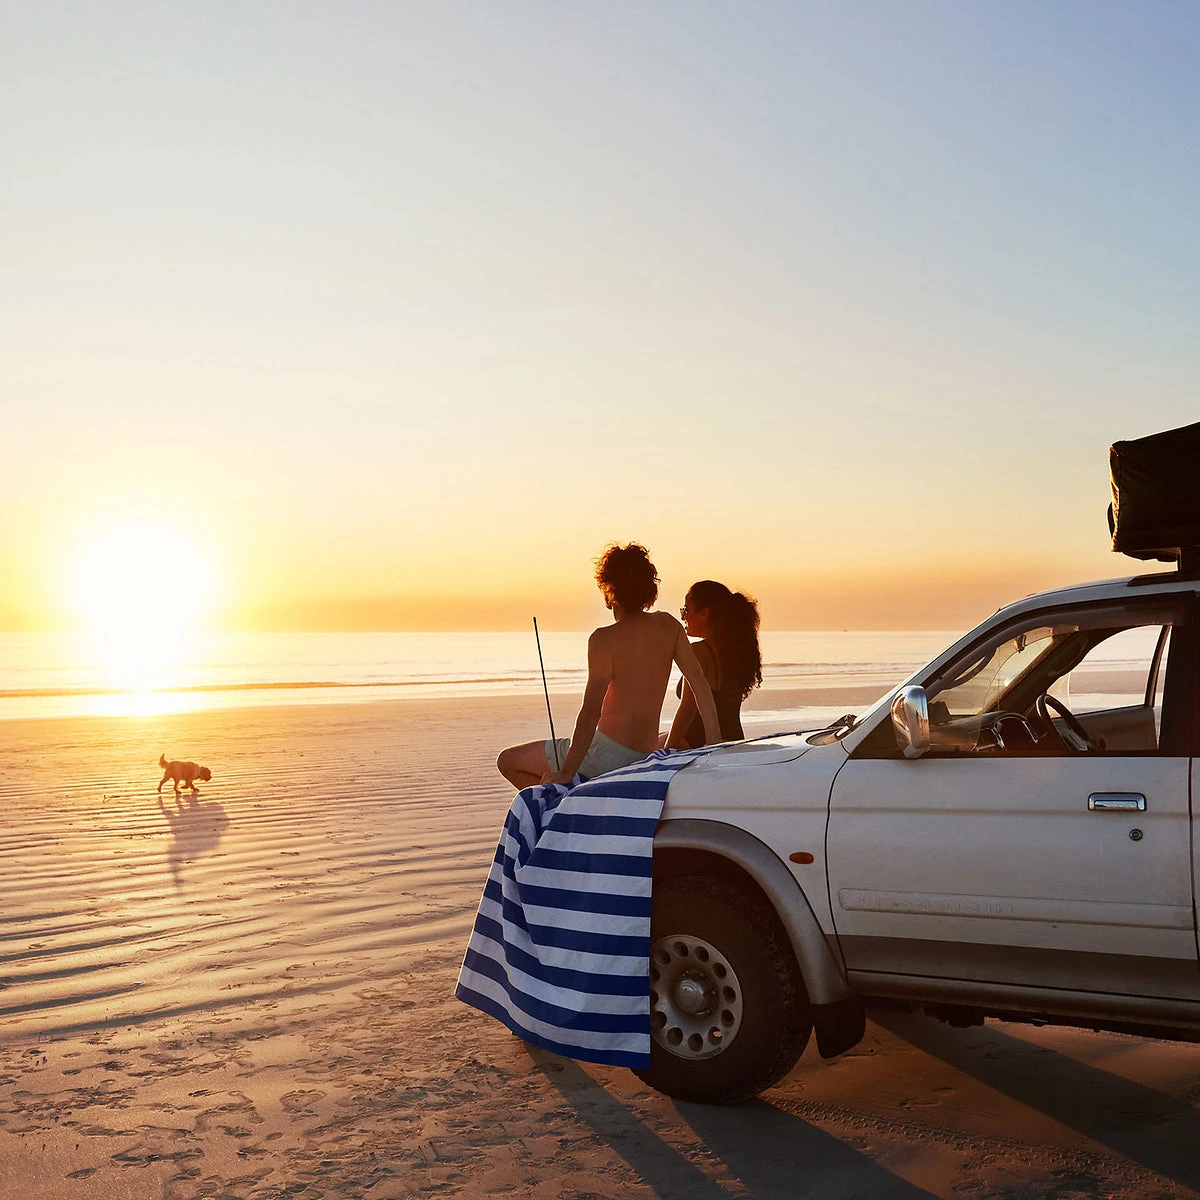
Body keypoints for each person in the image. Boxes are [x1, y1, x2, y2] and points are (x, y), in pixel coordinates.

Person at [497, 543, 721, 789]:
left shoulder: (603, 639)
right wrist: (714, 743)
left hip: (604, 757)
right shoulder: (669, 626)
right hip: (644, 754)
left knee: (508, 760)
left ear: (609, 588)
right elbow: (699, 683)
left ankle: (564, 814)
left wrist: (567, 772)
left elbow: (590, 712)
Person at [666, 580, 762, 749]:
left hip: (698, 742)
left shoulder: (699, 652)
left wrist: (666, 749)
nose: (684, 616)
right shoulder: (736, 653)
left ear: (704, 613)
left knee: (652, 746)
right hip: (734, 739)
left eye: (686, 610)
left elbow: (688, 708)